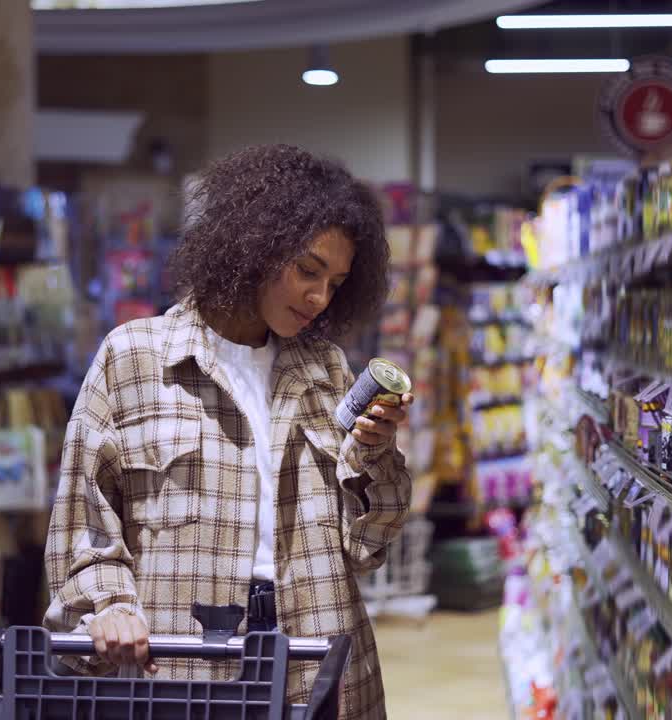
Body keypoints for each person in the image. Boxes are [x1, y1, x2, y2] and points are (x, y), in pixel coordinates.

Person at [44, 144, 413, 719]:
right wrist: (108, 605)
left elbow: (366, 549)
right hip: (180, 657)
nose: (319, 298)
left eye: (336, 283)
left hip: (316, 644)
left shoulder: (327, 370)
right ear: (255, 246)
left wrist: (376, 453)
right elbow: (83, 520)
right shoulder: (135, 359)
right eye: (307, 270)